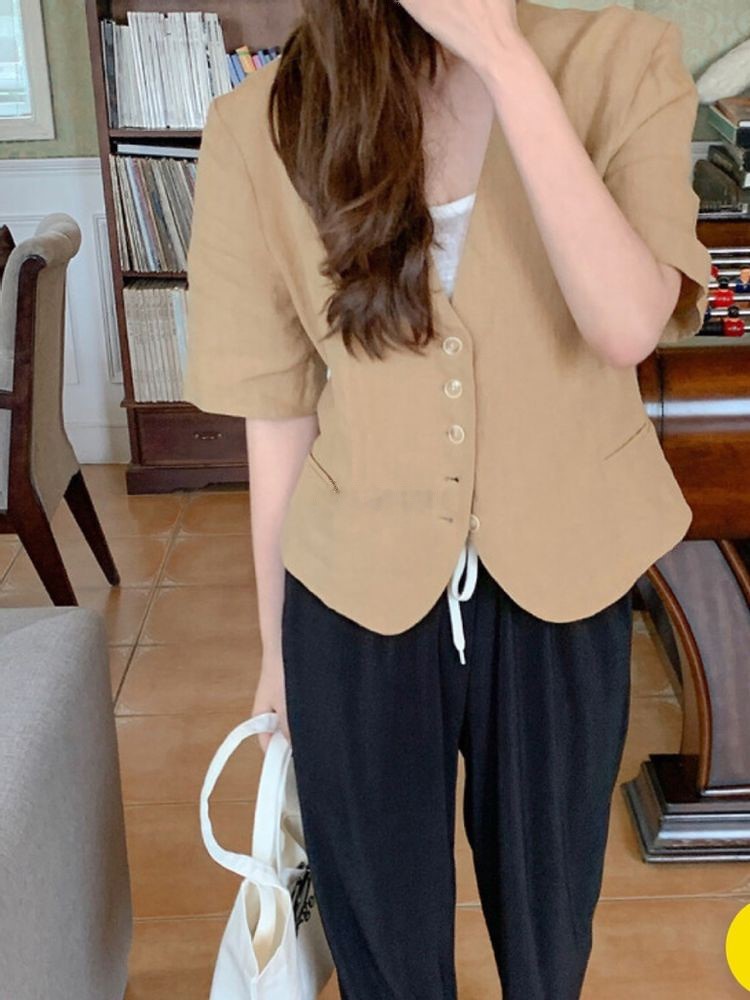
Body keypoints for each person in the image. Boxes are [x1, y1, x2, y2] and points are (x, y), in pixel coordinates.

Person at [183, 1, 712, 997]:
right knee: (383, 954)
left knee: (550, 943)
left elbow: (628, 324)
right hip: (354, 591)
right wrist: (275, 650)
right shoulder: (262, 123)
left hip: (564, 578)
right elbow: (278, 416)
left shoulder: (621, 59)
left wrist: (503, 57)